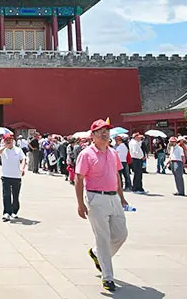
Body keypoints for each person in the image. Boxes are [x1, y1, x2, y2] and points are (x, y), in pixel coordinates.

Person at [75, 119, 128, 292]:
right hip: (96, 199)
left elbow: (117, 176)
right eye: (100, 131)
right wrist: (80, 203)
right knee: (103, 238)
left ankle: (97, 253)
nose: (105, 134)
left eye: (107, 131)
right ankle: (108, 277)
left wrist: (122, 197)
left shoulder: (112, 153)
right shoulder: (86, 154)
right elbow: (79, 178)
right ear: (93, 135)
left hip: (114, 198)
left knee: (121, 234)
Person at [0, 133, 27, 222]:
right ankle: (6, 213)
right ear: (4, 141)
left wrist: (22, 168)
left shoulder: (18, 150)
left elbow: (23, 159)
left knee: (15, 195)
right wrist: (4, 147)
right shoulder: (2, 150)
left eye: (11, 140)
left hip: (16, 176)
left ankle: (14, 211)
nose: (9, 142)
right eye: (7, 140)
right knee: (6, 195)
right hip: (6, 176)